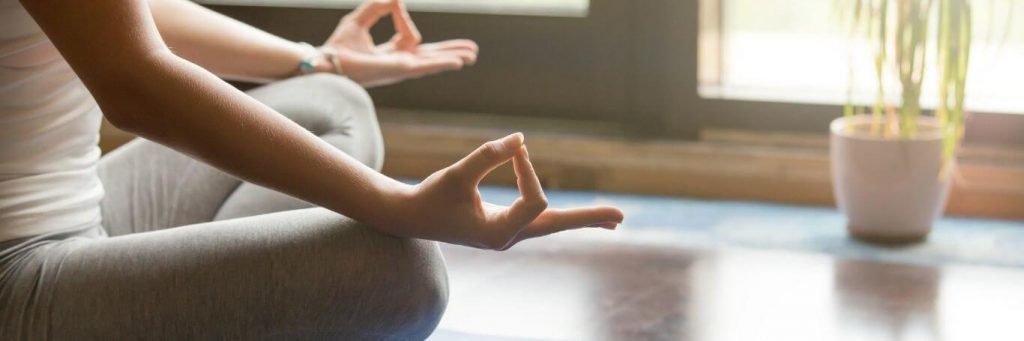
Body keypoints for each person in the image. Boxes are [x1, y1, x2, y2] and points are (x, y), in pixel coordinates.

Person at [0, 0, 625, 339]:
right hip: (14, 274)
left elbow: (125, 16)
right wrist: (396, 204)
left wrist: (320, 60)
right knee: (398, 272)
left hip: (82, 208)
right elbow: (133, 82)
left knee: (332, 102)